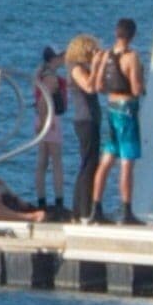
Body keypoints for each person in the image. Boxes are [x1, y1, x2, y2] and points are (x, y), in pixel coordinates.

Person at [92, 16, 148, 223]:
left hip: (111, 108)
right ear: (132, 35)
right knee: (126, 162)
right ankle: (126, 211)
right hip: (127, 109)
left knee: (106, 160)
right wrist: (142, 85)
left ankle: (96, 208)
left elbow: (99, 86)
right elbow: (136, 88)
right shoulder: (131, 57)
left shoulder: (106, 54)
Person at [60, 33, 104, 216]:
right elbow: (89, 87)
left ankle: (80, 210)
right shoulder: (76, 68)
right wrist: (97, 66)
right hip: (85, 120)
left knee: (90, 163)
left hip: (90, 119)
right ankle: (84, 210)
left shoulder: (81, 68)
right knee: (88, 165)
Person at [28, 44, 74, 213]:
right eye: (61, 57)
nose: (63, 59)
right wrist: (45, 120)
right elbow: (43, 100)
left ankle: (41, 200)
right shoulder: (51, 78)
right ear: (54, 58)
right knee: (56, 162)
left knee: (42, 161)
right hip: (50, 118)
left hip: (42, 118)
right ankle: (59, 201)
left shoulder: (40, 73)